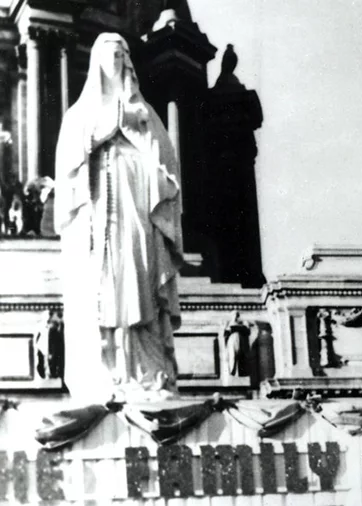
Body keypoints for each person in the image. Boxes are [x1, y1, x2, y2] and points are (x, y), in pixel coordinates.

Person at [55, 33, 183, 401]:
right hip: (96, 217)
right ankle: (103, 373)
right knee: (102, 287)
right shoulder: (78, 116)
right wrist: (104, 131)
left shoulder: (145, 115)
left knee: (139, 284)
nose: (118, 62)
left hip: (136, 216)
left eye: (122, 56)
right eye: (111, 56)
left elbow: (167, 169)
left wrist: (133, 133)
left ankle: (147, 371)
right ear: (97, 64)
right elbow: (68, 168)